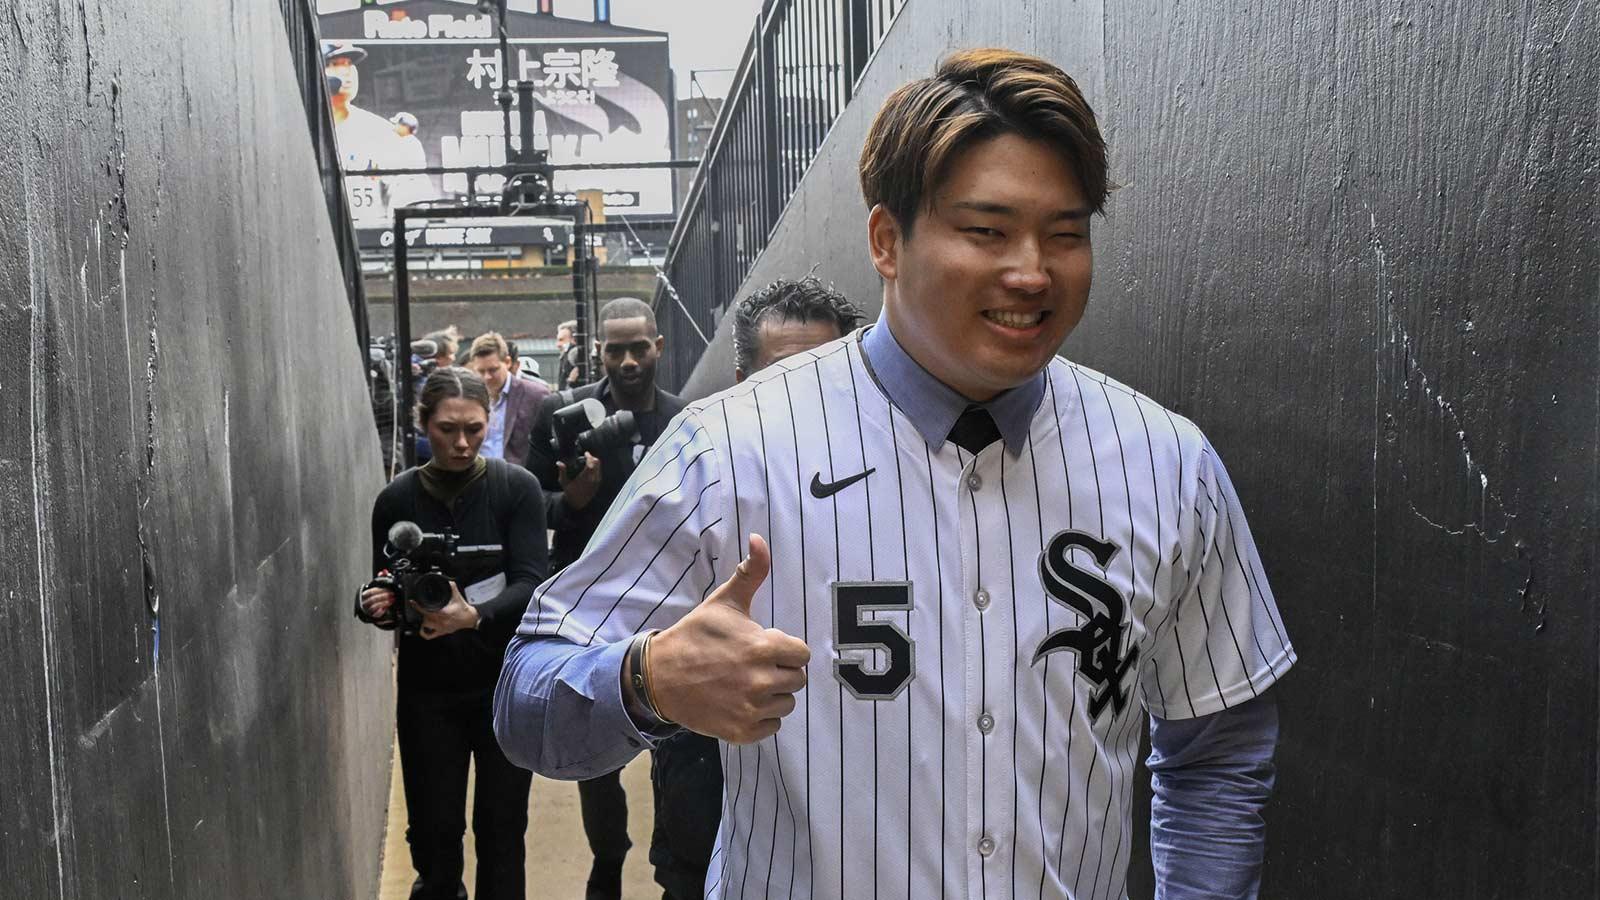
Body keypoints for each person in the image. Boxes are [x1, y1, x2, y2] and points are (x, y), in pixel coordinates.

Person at [496, 48, 1294, 900]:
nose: (1031, 271)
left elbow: (1218, 744)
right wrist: (645, 680)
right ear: (887, 240)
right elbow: (527, 699)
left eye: (1065, 233)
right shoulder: (733, 447)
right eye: (987, 231)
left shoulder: (1168, 461)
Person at [647, 277, 863, 900]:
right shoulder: (697, 481)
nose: (801, 396)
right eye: (780, 375)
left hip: (843, 791)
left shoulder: (905, 486)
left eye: (819, 373)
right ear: (742, 378)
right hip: (703, 766)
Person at [359, 367, 548, 900]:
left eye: (474, 428)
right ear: (424, 425)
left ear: (489, 422)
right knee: (436, 837)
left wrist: (475, 617)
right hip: (428, 695)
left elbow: (532, 580)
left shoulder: (516, 489)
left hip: (503, 687)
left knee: (503, 833)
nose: (462, 442)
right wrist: (378, 603)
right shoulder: (395, 500)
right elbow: (387, 582)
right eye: (447, 429)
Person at [522, 297, 686, 900]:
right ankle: (608, 861)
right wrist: (575, 500)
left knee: (681, 739)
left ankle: (677, 861)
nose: (627, 361)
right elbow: (528, 503)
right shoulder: (561, 416)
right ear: (598, 352)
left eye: (638, 347)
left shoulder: (685, 419)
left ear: (658, 347)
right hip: (590, 609)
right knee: (598, 744)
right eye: (614, 349)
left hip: (672, 605)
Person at [467, 332, 550, 468]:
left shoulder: (536, 395)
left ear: (507, 362)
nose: (487, 377)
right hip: (479, 478)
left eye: (493, 370)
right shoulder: (469, 397)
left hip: (519, 479)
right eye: (481, 371)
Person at [555, 319, 582, 387]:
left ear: (574, 339)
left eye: (561, 340)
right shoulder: (565, 358)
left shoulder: (573, 357)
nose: (557, 344)